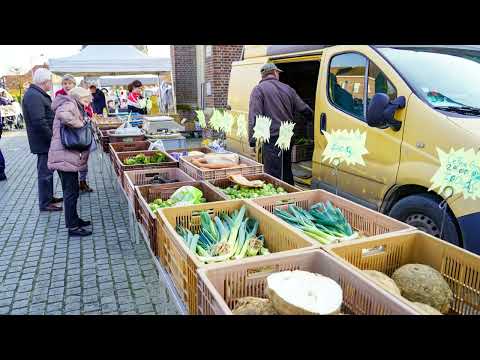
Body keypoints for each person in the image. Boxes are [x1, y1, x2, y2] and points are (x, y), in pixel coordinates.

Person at [248, 63, 313, 185]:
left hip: (271, 137)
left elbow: (254, 116)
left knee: (273, 172)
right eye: (278, 72)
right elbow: (304, 109)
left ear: (263, 76)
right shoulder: (288, 89)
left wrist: (252, 140)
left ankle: (277, 198)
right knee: (286, 169)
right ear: (275, 73)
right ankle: (290, 194)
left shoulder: (258, 90)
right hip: (287, 135)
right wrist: (313, 120)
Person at [48, 87, 93, 237]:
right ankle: (73, 227)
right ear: (79, 97)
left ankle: (74, 220)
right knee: (70, 193)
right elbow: (63, 115)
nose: (89, 101)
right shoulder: (70, 104)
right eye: (87, 98)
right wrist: (80, 124)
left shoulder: (73, 104)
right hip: (64, 155)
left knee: (72, 191)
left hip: (66, 155)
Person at [22, 68, 63, 211]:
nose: (51, 83)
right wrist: (52, 138)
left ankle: (49, 197)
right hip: (43, 142)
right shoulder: (33, 96)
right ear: (44, 81)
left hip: (45, 141)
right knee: (45, 173)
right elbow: (39, 121)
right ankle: (45, 203)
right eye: (50, 81)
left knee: (48, 171)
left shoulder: (36, 94)